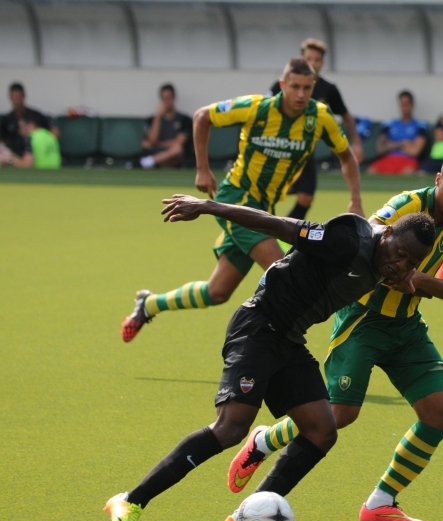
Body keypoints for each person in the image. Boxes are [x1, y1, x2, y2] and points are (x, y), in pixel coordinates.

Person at [104, 194, 436, 521]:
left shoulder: (389, 262)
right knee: (231, 427)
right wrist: (207, 206)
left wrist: (408, 278)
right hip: (258, 327)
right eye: (399, 254)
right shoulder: (347, 240)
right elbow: (277, 225)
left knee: (322, 430)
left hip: (289, 338)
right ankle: (130, 501)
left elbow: (401, 269)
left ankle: (245, 516)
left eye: (411, 262)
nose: (401, 265)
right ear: (386, 235)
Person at [221, 153, 443, 521]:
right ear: (438, 179)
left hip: (407, 326)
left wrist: (416, 280)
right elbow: (371, 236)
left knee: (440, 413)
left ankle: (381, 503)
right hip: (362, 320)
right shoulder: (408, 204)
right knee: (340, 414)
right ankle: (265, 440)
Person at [120, 58, 364, 343]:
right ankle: (272, 348)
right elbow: (202, 116)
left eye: (307, 88)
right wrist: (203, 168)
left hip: (265, 208)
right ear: (283, 85)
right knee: (282, 267)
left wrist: (355, 201)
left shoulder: (319, 117)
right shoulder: (258, 108)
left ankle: (147, 304)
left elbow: (346, 156)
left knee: (217, 292)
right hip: (236, 199)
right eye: (294, 87)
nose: (300, 94)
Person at [270, 38, 364, 220]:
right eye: (308, 58)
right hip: (276, 149)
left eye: (316, 59)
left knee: (306, 198)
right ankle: (266, 236)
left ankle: (281, 238)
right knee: (266, 198)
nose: (312, 63)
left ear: (322, 63)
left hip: (304, 151)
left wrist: (357, 143)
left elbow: (346, 116)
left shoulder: (327, 92)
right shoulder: (279, 86)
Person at [367, 91, 428, 175]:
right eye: (402, 104)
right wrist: (403, 144)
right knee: (371, 171)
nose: (404, 107)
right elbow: (380, 149)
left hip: (408, 160)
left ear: (412, 105)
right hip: (388, 159)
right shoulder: (389, 124)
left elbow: (415, 151)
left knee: (408, 173)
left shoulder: (420, 125)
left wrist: (390, 145)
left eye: (407, 103)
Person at [139, 84, 193, 169]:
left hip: (174, 156)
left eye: (169, 98)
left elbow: (178, 143)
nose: (166, 101)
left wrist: (157, 144)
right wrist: (158, 116)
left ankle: (148, 162)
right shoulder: (152, 120)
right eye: (164, 98)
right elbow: (152, 139)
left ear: (174, 98)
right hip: (156, 152)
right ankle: (155, 162)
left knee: (177, 149)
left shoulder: (185, 120)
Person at [0, 82, 57, 157]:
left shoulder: (35, 115)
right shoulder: (6, 119)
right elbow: (2, 141)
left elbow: (54, 132)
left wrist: (34, 131)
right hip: (12, 155)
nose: (16, 101)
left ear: (23, 96)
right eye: (14, 97)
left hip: (33, 154)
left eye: (18, 97)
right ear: (10, 97)